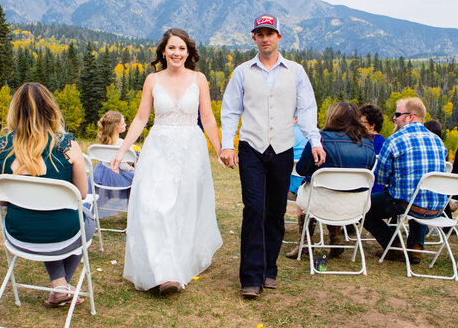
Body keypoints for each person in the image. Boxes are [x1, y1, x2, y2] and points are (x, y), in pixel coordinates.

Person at [110, 29, 223, 296]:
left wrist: (220, 150)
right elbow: (140, 119)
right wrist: (122, 150)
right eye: (172, 48)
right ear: (163, 51)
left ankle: (174, 267)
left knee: (182, 208)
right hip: (158, 148)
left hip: (190, 150)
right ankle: (163, 272)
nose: (176, 53)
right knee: (154, 207)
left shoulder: (199, 79)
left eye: (182, 48)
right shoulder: (152, 79)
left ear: (188, 52)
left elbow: (207, 118)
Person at [220, 15, 324, 299]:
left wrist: (314, 140)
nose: (265, 38)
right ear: (253, 38)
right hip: (251, 147)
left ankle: (269, 268)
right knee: (254, 208)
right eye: (260, 33)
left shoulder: (296, 71)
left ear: (279, 37)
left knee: (276, 212)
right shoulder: (242, 72)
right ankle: (251, 277)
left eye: (270, 33)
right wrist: (226, 144)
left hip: (282, 149)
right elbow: (230, 111)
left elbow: (306, 109)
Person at [0, 83, 95, 307]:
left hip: (18, 235)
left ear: (15, 111)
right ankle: (61, 286)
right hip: (62, 233)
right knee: (87, 217)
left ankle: (59, 285)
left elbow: (1, 199)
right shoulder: (66, 144)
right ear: (50, 109)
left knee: (45, 216)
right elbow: (82, 194)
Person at [362, 97, 448, 263]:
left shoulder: (395, 140)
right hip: (437, 206)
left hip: (407, 203)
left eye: (397, 114)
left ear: (410, 116)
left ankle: (393, 246)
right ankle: (416, 246)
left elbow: (380, 177)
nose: (394, 118)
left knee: (363, 206)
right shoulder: (437, 140)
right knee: (420, 192)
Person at [286, 102, 376, 259]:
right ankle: (335, 238)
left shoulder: (319, 140)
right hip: (356, 207)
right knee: (332, 191)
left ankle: (305, 241)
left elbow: (301, 170)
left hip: (321, 204)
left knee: (306, 189)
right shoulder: (368, 143)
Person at [92, 110, 135, 215]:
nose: (125, 124)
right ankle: (135, 209)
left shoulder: (102, 143)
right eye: (123, 123)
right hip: (117, 176)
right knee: (139, 178)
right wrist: (131, 168)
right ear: (116, 127)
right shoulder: (123, 144)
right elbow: (123, 166)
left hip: (101, 174)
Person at [357, 104, 386, 196]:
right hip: (378, 190)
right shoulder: (384, 141)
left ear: (372, 125)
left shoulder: (361, 141)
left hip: (363, 189)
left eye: (361, 122)